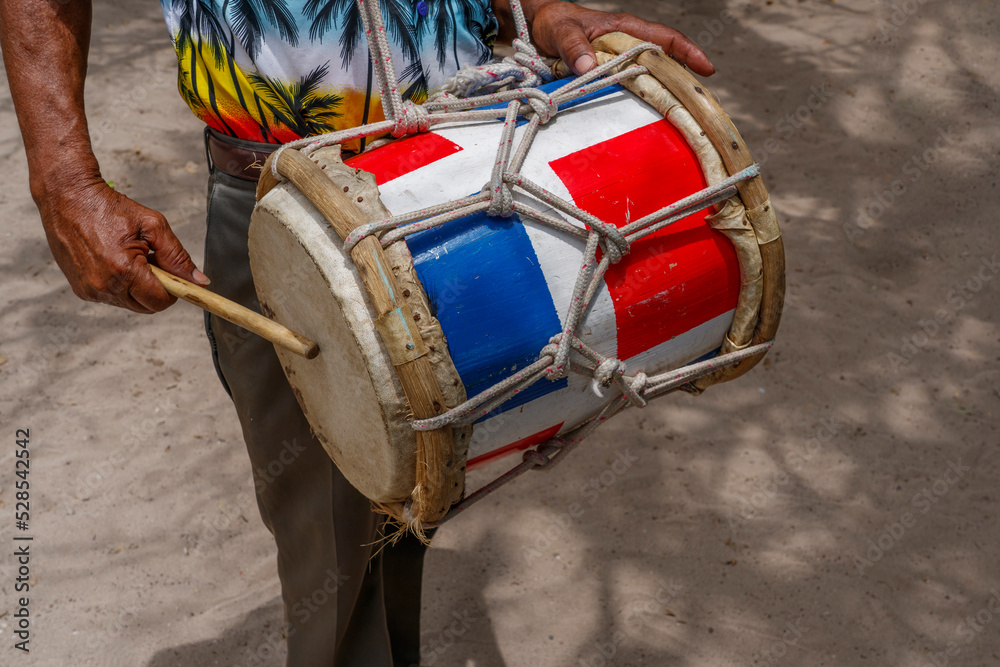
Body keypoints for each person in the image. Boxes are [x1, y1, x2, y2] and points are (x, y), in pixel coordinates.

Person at [0, 1, 713, 664]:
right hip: (291, 191)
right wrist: (63, 177)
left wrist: (532, 10)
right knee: (329, 540)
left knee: (414, 489)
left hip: (460, 162)